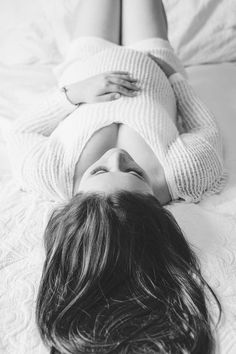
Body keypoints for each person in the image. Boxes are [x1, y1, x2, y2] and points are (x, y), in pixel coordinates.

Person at [4, 0, 225, 353]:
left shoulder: (53, 173)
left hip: (86, 61)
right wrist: (173, 76)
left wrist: (73, 95)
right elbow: (205, 128)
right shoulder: (181, 174)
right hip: (151, 57)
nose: (117, 156)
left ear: (77, 197)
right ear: (154, 202)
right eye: (133, 171)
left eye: (99, 170)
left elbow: (20, 131)